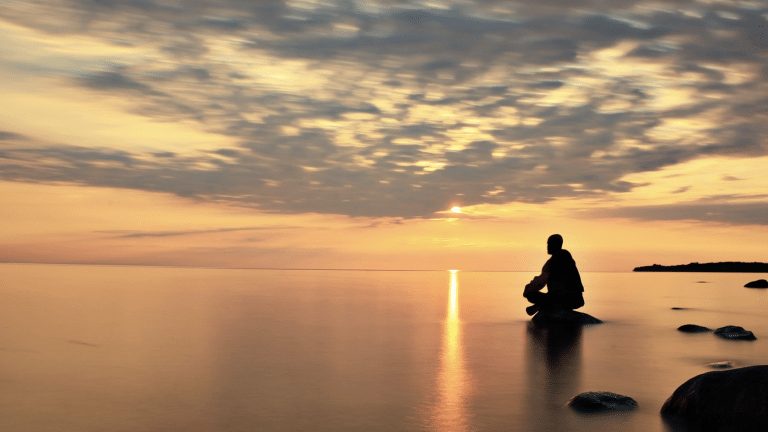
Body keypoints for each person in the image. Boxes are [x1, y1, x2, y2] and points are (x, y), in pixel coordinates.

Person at [523, 234, 585, 316]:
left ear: (555, 245)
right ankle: (544, 305)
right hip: (575, 300)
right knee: (551, 295)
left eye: (549, 244)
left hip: (568, 298)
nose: (547, 247)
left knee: (531, 294)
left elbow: (541, 281)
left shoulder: (556, 260)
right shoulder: (565, 257)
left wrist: (529, 289)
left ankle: (543, 305)